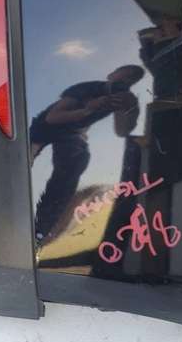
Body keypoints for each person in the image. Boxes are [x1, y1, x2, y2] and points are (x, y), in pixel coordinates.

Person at [31, 64, 145, 241]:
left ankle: (44, 226)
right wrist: (88, 109)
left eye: (132, 79)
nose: (126, 80)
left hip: (73, 133)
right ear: (111, 74)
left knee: (77, 161)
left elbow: (121, 131)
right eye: (124, 75)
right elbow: (52, 118)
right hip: (44, 128)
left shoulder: (121, 98)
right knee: (23, 158)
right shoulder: (88, 88)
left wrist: (129, 110)